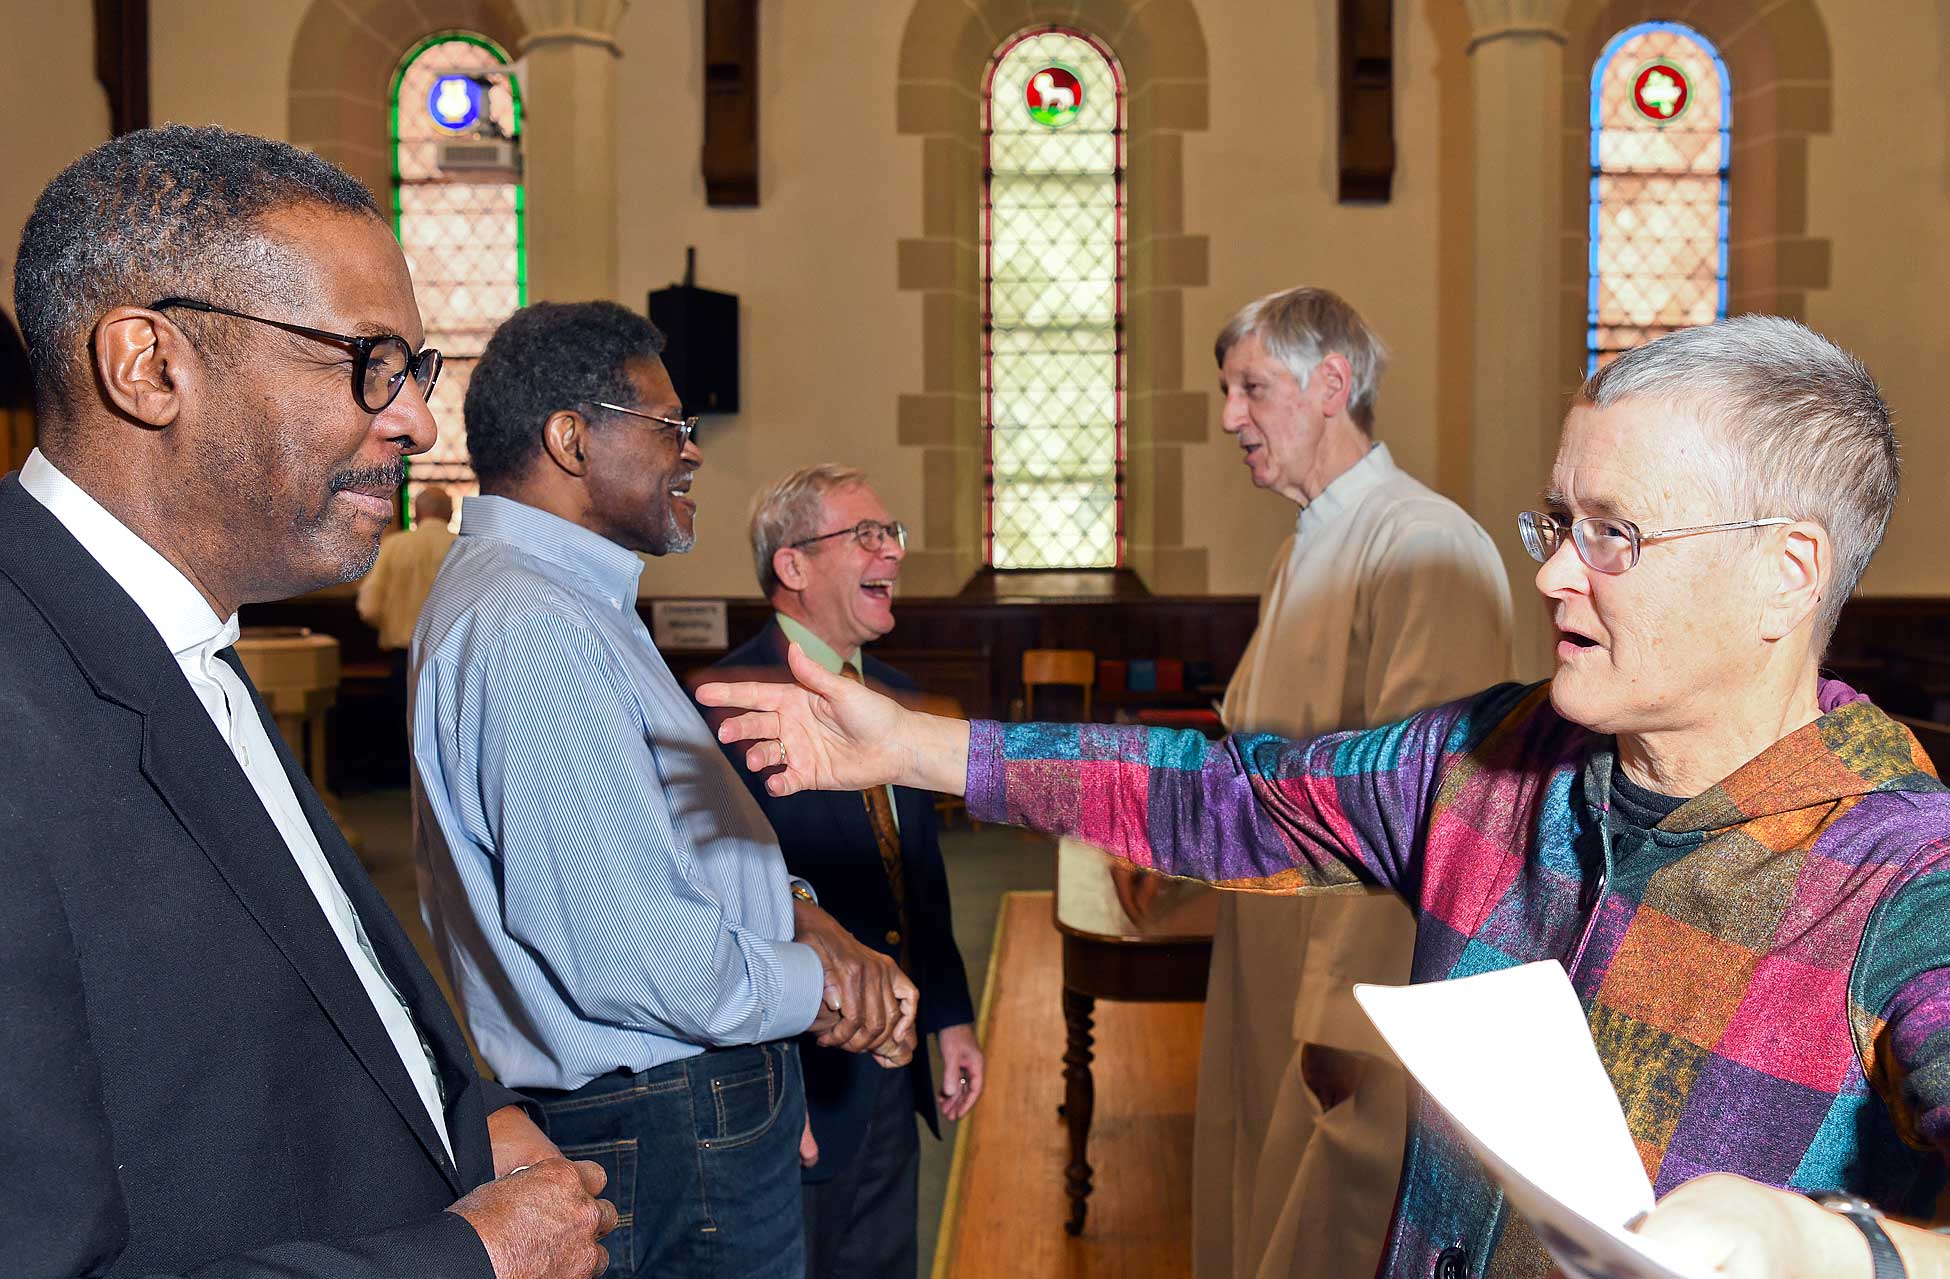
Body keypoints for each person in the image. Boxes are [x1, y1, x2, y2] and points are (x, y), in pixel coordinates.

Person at [699, 315, 1950, 1278]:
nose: (1558, 574)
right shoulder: (1489, 757)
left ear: (1788, 573)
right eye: (1557, 520)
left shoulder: (1906, 876)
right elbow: (1232, 796)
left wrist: (1837, 1251)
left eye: (1615, 534)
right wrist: (918, 747)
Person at [0, 125, 612, 1279]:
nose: (418, 422)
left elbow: (318, 984)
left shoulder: (180, 631)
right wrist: (467, 1260)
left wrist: (472, 1114)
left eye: (417, 371)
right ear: (149, 367)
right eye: (368, 360)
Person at [409, 302, 918, 1279]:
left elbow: (666, 849)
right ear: (570, 437)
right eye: (668, 426)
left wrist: (801, 917)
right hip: (659, 1110)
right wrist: (826, 991)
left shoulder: (568, 599)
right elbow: (625, 946)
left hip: (690, 1092)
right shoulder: (528, 622)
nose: (692, 453)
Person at [1188, 287, 1512, 1279]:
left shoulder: (1423, 546)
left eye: (1251, 387)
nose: (1231, 415)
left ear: (1333, 384)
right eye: (1226, 390)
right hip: (1273, 958)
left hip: (1353, 1002)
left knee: (1331, 1236)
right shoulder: (1309, 551)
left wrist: (1345, 1021)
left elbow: (1427, 807)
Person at [706, 464, 980, 1279]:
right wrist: (769, 1087)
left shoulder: (895, 703)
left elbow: (920, 882)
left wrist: (951, 1016)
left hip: (893, 1072)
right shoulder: (730, 705)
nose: (890, 551)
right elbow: (724, 914)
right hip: (802, 1087)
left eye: (891, 534)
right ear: (793, 566)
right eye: (865, 535)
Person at [358, 484, 457, 658]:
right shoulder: (464, 549)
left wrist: (391, 627)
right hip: (452, 656)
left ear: (416, 514)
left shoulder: (393, 546)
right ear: (450, 515)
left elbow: (369, 607)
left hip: (404, 655)